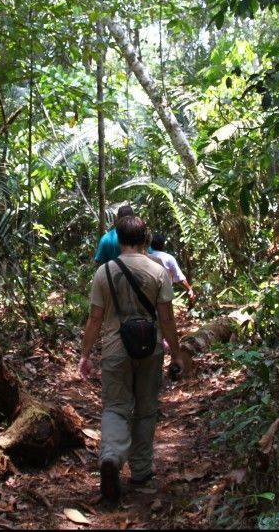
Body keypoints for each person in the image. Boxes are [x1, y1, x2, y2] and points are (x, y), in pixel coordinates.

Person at [78, 215, 190, 507]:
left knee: (115, 407)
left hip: (115, 349)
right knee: (145, 409)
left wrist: (86, 354)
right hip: (149, 349)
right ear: (144, 238)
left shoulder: (104, 271)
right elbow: (166, 317)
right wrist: (176, 353)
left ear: (118, 237)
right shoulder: (157, 270)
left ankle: (112, 456)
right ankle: (141, 471)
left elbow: (95, 318)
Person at [147, 233, 196, 306]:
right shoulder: (168, 258)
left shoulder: (145, 257)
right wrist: (189, 289)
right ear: (163, 245)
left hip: (147, 293)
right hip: (164, 295)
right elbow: (179, 278)